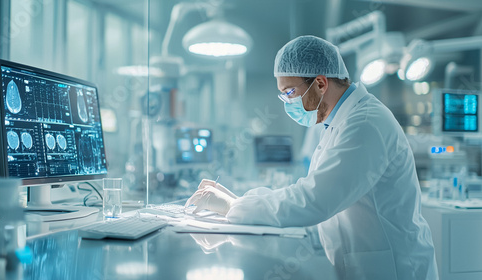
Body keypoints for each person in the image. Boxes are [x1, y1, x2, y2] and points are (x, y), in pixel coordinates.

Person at [185, 35, 438, 280]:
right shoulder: (337, 122)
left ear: (320, 83)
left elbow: (314, 200)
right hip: (366, 264)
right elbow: (312, 192)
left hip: (393, 269)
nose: (287, 102)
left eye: (290, 92)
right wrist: (240, 201)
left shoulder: (365, 123)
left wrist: (233, 207)